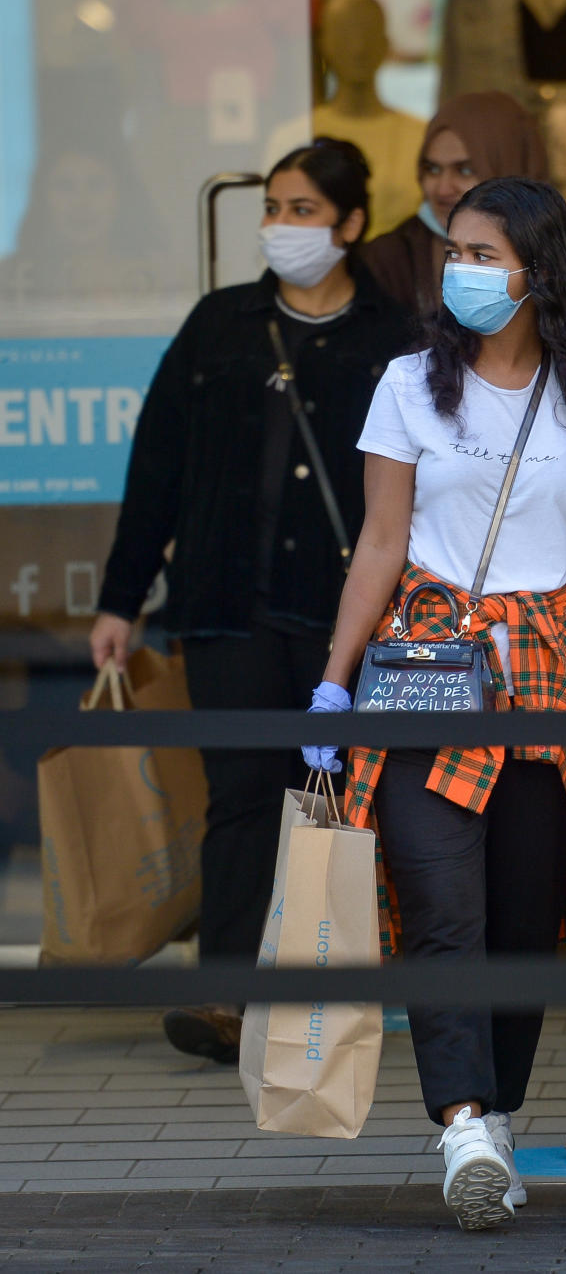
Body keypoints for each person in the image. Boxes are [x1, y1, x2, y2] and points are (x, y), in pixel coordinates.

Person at [302, 176, 566, 1230]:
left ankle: (495, 1118)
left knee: (522, 921)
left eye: (481, 254)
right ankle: (459, 1122)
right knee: (440, 907)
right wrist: (336, 677)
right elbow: (379, 539)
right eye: (452, 252)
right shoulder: (410, 383)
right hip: (426, 668)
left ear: (537, 272)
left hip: (548, 678)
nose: (459, 271)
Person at [90, 139, 414, 1063]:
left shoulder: (393, 340)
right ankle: (229, 997)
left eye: (304, 209)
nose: (282, 225)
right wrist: (122, 597)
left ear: (351, 225)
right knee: (238, 798)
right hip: (226, 601)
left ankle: (331, 994)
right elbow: (156, 464)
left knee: (338, 799)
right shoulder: (220, 323)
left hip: (341, 607)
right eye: (274, 206)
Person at [361, 90, 548, 321]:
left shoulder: (555, 257)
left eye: (465, 170)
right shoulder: (386, 260)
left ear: (510, 166)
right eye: (433, 169)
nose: (442, 189)